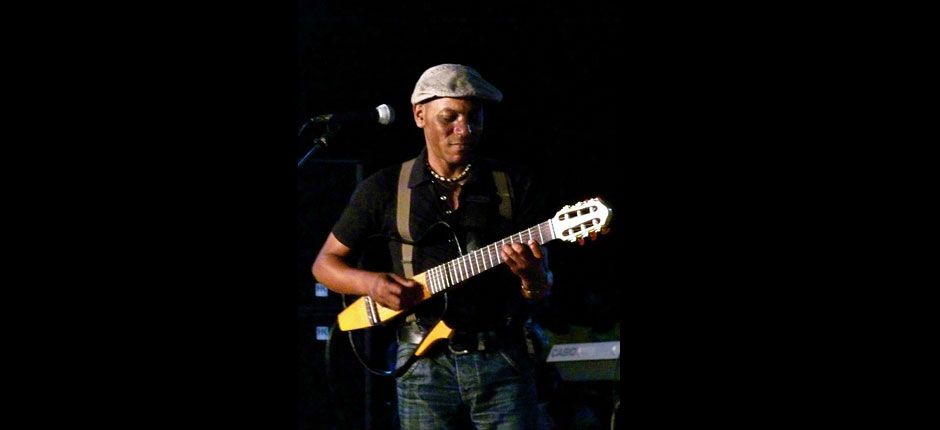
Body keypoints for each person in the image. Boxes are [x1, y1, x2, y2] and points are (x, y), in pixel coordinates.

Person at [312, 63, 553, 429]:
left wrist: (532, 278)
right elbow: (325, 265)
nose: (464, 130)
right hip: (422, 361)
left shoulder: (513, 185)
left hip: (502, 357)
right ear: (419, 115)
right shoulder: (385, 188)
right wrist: (373, 284)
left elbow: (539, 291)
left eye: (474, 118)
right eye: (450, 118)